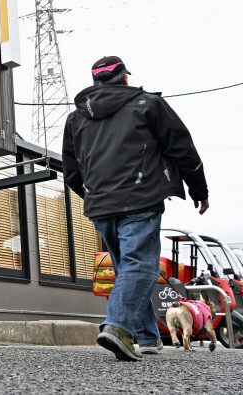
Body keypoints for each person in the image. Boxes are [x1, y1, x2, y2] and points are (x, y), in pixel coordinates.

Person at [62, 55, 209, 361]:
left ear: (96, 82)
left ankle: (147, 337)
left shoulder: (76, 118)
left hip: (100, 206)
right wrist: (200, 190)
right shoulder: (147, 104)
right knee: (140, 266)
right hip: (140, 198)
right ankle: (117, 327)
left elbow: (72, 171)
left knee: (127, 268)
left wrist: (92, 196)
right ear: (125, 78)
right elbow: (182, 148)